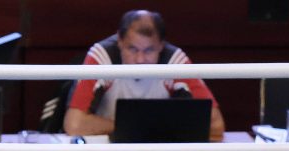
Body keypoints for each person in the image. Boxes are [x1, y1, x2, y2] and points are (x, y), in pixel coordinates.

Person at [63, 9, 225, 140]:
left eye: (149, 50)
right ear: (119, 41)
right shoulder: (102, 55)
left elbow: (216, 125)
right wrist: (141, 126)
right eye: (132, 49)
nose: (140, 60)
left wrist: (139, 127)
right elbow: (74, 125)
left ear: (161, 46)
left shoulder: (174, 60)